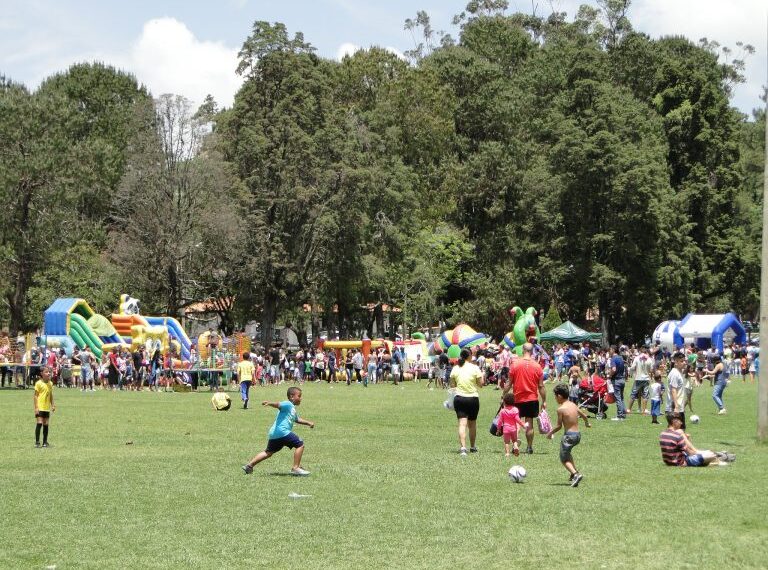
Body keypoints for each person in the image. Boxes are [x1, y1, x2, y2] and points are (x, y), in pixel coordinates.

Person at [242, 387, 315, 476]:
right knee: (300, 444)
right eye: (299, 396)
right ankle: (296, 468)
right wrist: (270, 403)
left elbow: (296, 419)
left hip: (275, 434)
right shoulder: (288, 404)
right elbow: (278, 405)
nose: (301, 398)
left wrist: (308, 423)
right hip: (282, 432)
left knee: (268, 453)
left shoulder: (292, 409)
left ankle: (249, 466)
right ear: (292, 397)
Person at [504, 343, 545, 454]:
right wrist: (544, 400)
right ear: (532, 351)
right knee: (529, 423)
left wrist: (504, 395)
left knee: (515, 423)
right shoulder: (537, 366)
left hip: (517, 398)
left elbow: (509, 383)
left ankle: (515, 446)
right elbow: (541, 386)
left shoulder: (515, 364)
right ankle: (529, 447)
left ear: (523, 350)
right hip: (532, 399)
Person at [547, 383, 591, 487]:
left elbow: (558, 426)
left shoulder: (561, 409)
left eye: (555, 396)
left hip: (569, 437)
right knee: (568, 453)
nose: (555, 399)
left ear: (559, 396)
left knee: (564, 458)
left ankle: (576, 474)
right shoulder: (573, 404)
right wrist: (587, 423)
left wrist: (550, 433)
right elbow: (584, 416)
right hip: (577, 435)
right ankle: (573, 473)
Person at [659, 412, 735, 467]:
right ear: (673, 422)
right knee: (711, 455)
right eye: (679, 421)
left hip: (669, 462)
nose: (681, 423)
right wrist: (703, 454)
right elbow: (690, 453)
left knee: (707, 453)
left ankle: (716, 457)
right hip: (681, 462)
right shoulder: (677, 435)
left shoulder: (662, 434)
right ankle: (717, 460)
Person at [449, 348, 484, 456]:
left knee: (462, 424)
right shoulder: (475, 368)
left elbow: (452, 385)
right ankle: (472, 447)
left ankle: (463, 448)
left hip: (460, 398)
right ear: (469, 356)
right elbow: (481, 384)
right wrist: (482, 375)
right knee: (472, 424)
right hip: (473, 398)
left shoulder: (455, 368)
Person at [498, 392, 527, 457]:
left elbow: (500, 421)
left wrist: (498, 429)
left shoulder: (503, 411)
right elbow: (518, 419)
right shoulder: (515, 409)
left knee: (507, 442)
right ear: (514, 402)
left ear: (504, 402)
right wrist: (523, 425)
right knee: (514, 440)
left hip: (506, 429)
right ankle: (516, 446)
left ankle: (507, 453)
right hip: (514, 429)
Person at [34, 366, 56, 447]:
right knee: (39, 423)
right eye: (46, 372)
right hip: (40, 407)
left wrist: (52, 405)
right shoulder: (38, 383)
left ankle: (45, 442)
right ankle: (37, 442)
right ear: (42, 374)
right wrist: (36, 407)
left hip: (46, 408)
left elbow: (50, 395)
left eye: (49, 372)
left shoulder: (50, 383)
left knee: (46, 424)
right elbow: (35, 396)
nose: (48, 373)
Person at [627, 347, 652, 414]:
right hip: (646, 379)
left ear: (640, 351)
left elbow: (632, 367)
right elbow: (651, 369)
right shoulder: (649, 359)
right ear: (646, 352)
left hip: (638, 378)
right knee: (645, 395)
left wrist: (631, 374)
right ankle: (644, 411)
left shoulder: (637, 358)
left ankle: (629, 409)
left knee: (633, 393)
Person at [667, 352, 688, 429]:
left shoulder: (679, 372)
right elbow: (673, 390)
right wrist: (676, 407)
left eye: (684, 360)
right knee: (678, 432)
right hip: (674, 408)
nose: (684, 363)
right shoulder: (674, 373)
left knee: (678, 432)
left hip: (679, 407)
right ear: (675, 362)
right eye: (682, 361)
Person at [608, 345, 627, 420]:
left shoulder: (613, 359)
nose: (609, 351)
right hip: (622, 379)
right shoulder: (621, 358)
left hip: (616, 380)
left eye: (610, 350)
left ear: (613, 350)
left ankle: (619, 416)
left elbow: (613, 369)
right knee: (621, 398)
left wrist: (609, 375)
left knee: (618, 398)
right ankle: (623, 414)